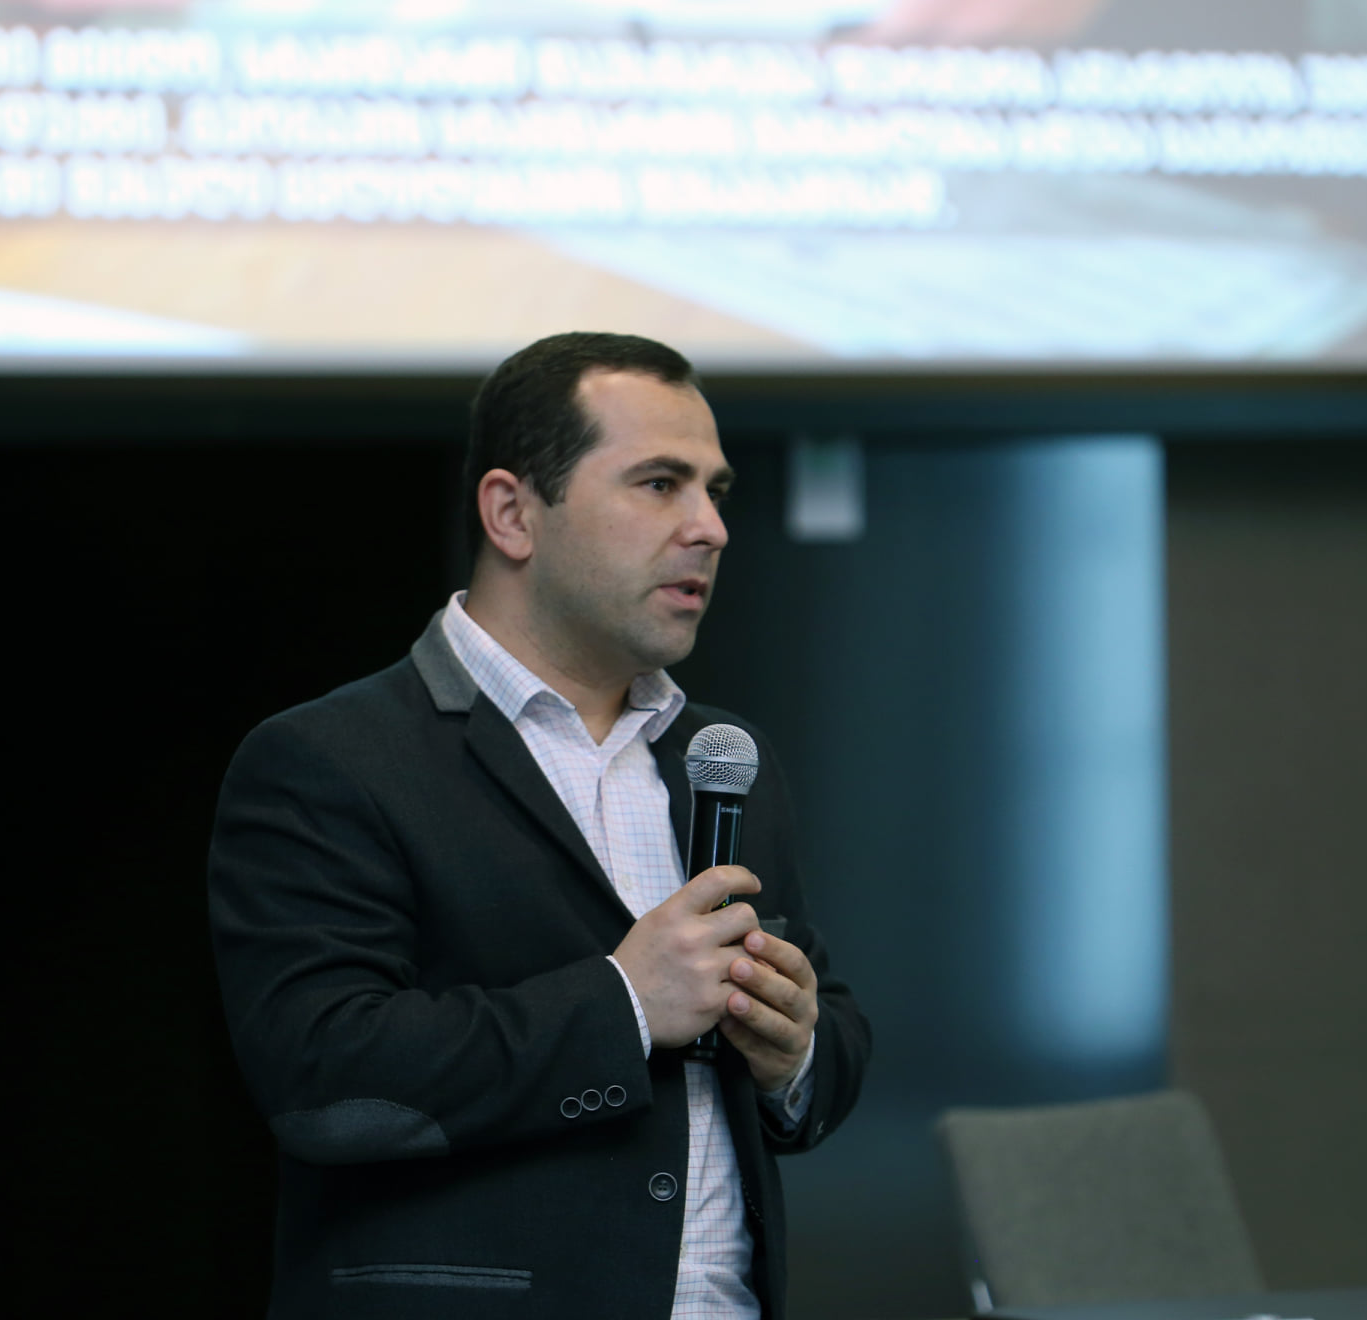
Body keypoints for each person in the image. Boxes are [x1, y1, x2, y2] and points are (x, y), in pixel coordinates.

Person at [208, 331, 871, 1320]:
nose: (710, 528)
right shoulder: (330, 758)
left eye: (715, 490)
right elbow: (325, 1079)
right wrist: (623, 1005)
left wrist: (796, 1054)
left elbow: (830, 1022)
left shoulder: (725, 760)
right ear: (513, 514)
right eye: (660, 484)